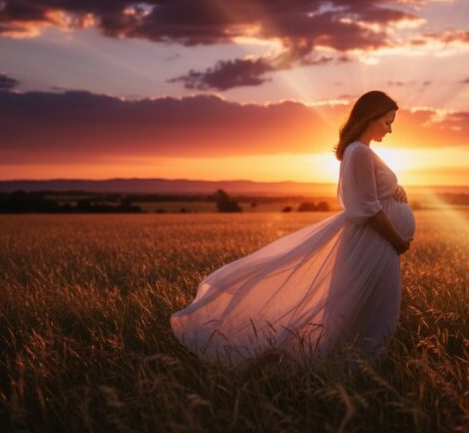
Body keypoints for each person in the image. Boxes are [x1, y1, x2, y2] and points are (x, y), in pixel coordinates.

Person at [170, 90, 415, 371]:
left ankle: (360, 368)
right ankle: (348, 370)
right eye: (387, 121)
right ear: (370, 118)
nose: (390, 129)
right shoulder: (358, 151)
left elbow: (372, 194)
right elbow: (367, 208)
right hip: (374, 241)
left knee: (367, 307)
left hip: (376, 242)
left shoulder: (363, 151)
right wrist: (397, 240)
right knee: (364, 309)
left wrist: (396, 191)